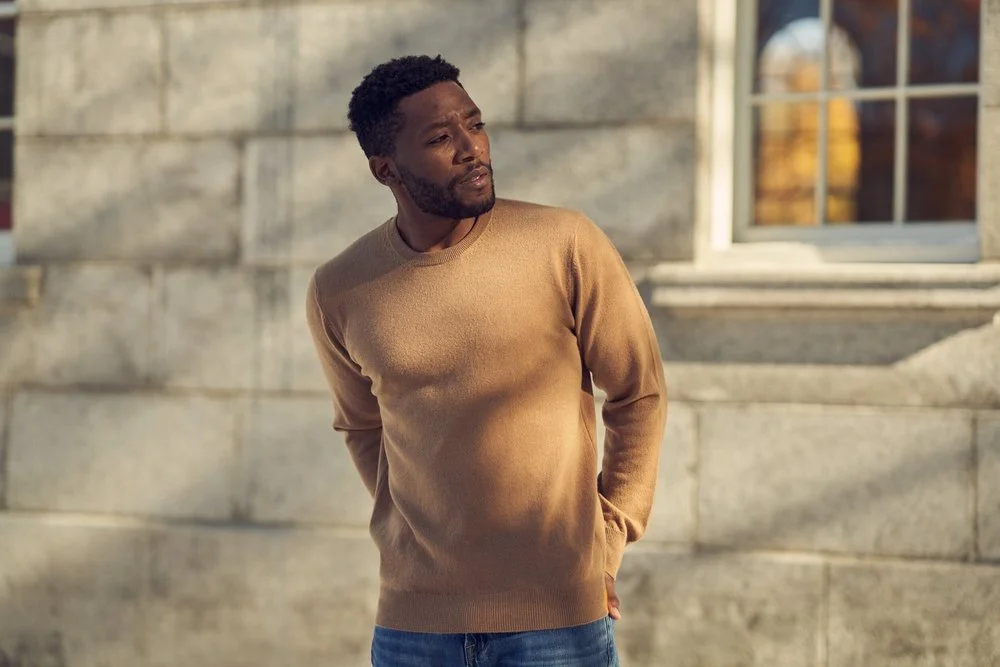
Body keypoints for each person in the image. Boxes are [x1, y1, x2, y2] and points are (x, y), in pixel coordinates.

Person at [306, 54, 668, 666]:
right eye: (441, 138)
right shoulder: (341, 288)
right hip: (414, 627)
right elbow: (362, 426)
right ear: (384, 168)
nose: (472, 148)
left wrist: (611, 534)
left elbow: (638, 393)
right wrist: (419, 531)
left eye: (475, 125)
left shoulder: (563, 244)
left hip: (557, 623)